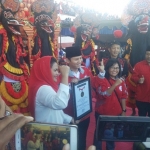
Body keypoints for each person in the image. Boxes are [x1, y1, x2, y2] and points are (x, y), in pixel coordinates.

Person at [63, 46, 97, 150]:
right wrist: (69, 86)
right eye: (76, 59)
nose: (79, 61)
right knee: (68, 141)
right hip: (69, 115)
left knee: (82, 139)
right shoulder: (63, 75)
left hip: (84, 114)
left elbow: (92, 88)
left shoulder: (86, 71)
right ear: (67, 60)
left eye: (80, 58)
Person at [93, 59, 128, 150]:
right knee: (99, 136)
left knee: (111, 136)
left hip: (115, 114)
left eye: (117, 68)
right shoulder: (102, 79)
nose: (115, 70)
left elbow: (123, 97)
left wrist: (124, 111)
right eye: (112, 67)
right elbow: (103, 95)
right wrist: (115, 85)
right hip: (102, 114)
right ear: (107, 68)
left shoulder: (121, 81)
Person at [28, 56, 73, 124]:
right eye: (55, 70)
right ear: (45, 71)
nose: (57, 74)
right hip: (48, 133)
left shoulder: (47, 86)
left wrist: (69, 119)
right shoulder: (43, 88)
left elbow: (56, 111)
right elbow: (61, 103)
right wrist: (65, 75)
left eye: (57, 70)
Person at [131, 46, 150, 117]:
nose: (149, 56)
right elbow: (133, 77)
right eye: (147, 54)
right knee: (142, 118)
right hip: (142, 98)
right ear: (145, 54)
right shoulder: (138, 65)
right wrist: (138, 80)